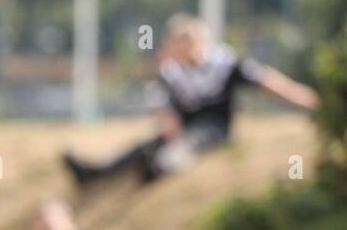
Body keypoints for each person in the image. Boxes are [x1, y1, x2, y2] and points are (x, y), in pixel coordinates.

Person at [63, 13, 320, 187]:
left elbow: (271, 84)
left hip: (214, 128)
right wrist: (167, 121)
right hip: (180, 128)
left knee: (191, 141)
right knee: (143, 146)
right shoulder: (172, 73)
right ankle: (94, 173)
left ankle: (161, 165)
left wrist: (311, 101)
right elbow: (159, 105)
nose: (188, 50)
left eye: (191, 43)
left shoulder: (226, 64)